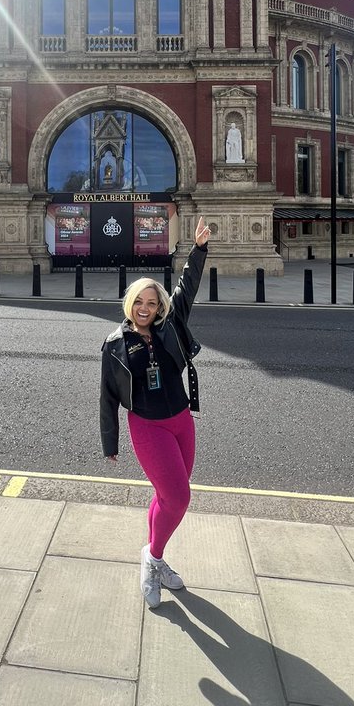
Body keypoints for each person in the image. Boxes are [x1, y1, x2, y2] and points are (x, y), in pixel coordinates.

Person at [100, 215, 210, 608]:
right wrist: (110, 442)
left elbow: (188, 288)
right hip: (147, 426)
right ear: (130, 304)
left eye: (152, 302)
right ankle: (153, 559)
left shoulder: (171, 323)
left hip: (181, 421)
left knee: (167, 496)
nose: (145, 308)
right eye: (139, 303)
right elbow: (108, 396)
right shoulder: (115, 343)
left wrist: (198, 250)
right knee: (178, 499)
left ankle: (154, 555)